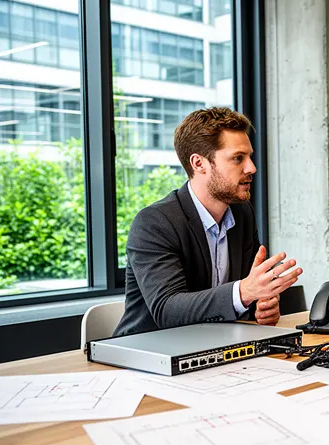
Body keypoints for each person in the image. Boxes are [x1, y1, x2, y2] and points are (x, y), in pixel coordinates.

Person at [115, 107, 302, 336]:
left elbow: (242, 295)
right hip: (147, 350)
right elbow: (167, 310)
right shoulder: (154, 223)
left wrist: (261, 305)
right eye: (238, 158)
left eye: (249, 157)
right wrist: (244, 292)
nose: (251, 167)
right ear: (199, 163)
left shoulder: (242, 213)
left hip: (214, 344)